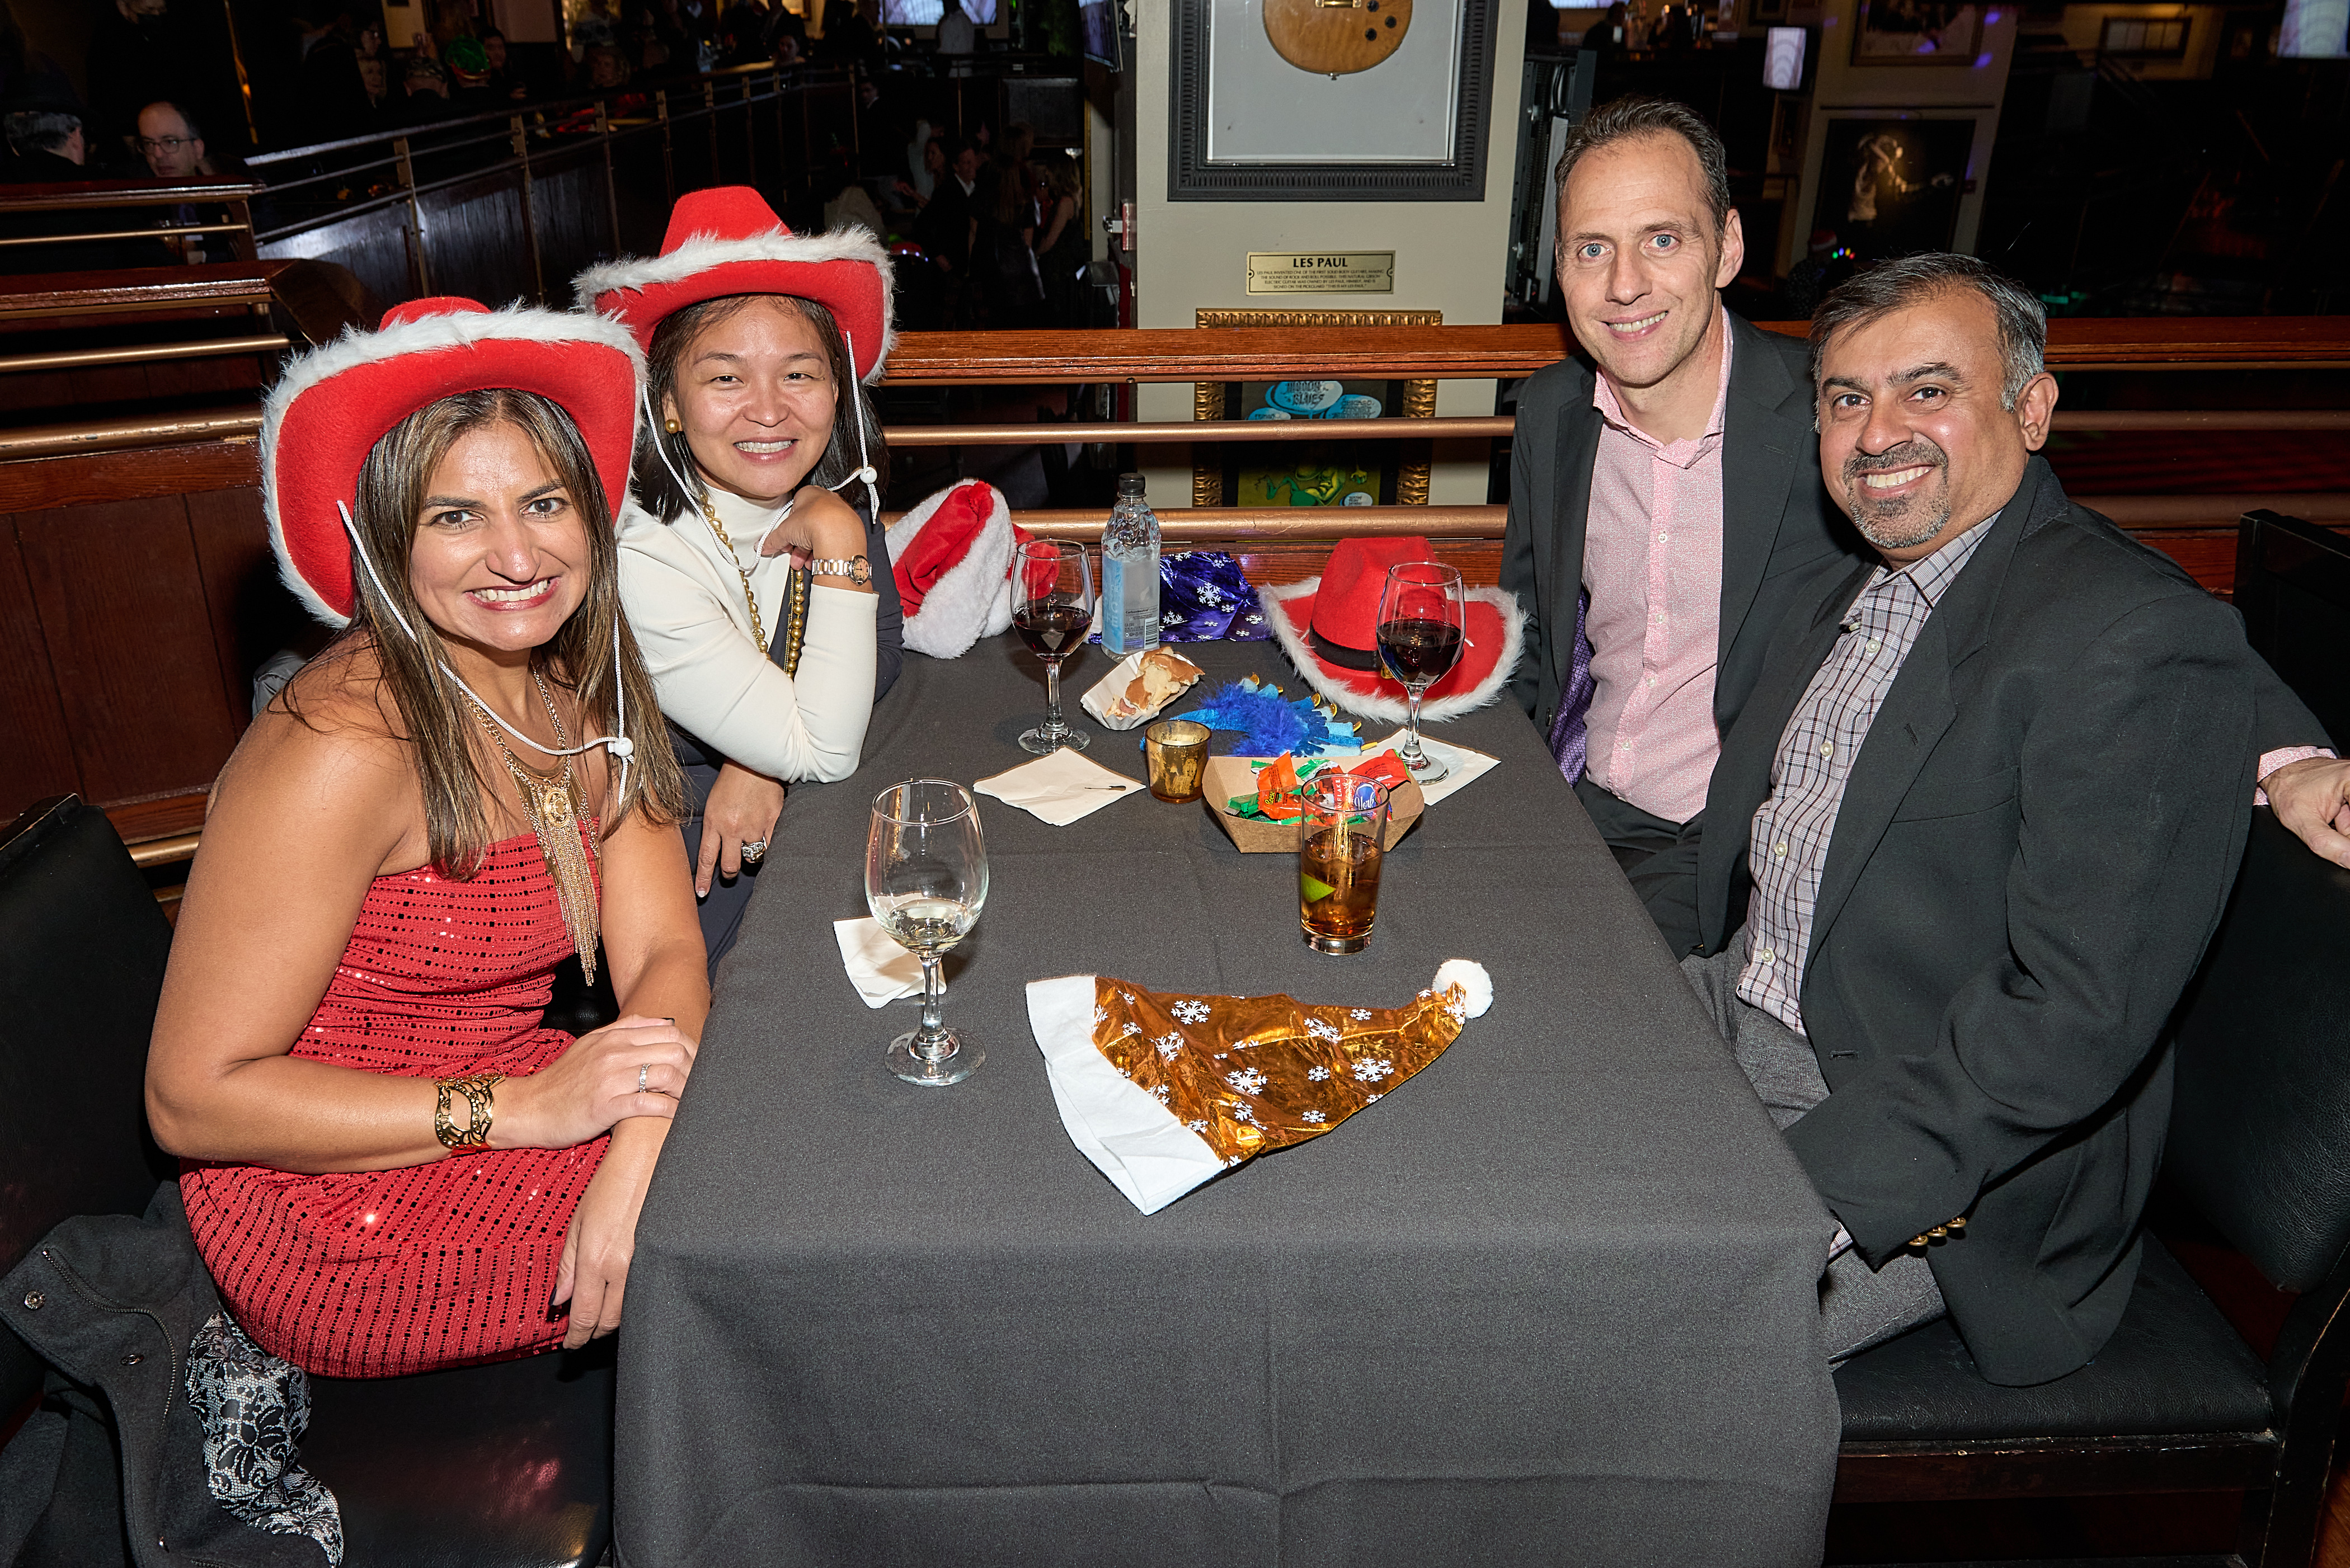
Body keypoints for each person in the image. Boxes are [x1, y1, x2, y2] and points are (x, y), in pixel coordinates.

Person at [1676, 255, 2340, 1382]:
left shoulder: (2132, 638)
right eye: (1848, 398)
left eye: (1929, 390)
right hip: (1746, 1010)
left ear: (2032, 410)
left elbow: (2073, 1017)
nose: (1879, 433)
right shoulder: (1855, 572)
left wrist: (1805, 1195)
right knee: (1480, 1146)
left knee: (1603, 1335)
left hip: (1936, 1142)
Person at [1498, 96, 2350, 960]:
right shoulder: (1553, 411)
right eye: (1591, 249)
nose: (1625, 285)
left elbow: (2066, 553)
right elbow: (1534, 635)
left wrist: (2287, 757)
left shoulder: (1838, 411)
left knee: (1551, 998)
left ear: (1729, 247)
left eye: (1662, 240)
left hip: (1722, 839)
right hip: (1573, 802)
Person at [148, 297, 706, 1381]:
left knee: (762, 1158)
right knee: (755, 1233)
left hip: (523, 1098)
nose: (517, 554)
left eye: (543, 502)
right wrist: (525, 1108)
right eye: (456, 516)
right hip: (335, 1204)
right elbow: (189, 1098)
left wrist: (639, 1142)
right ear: (383, 537)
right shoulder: (342, 747)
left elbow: (664, 953)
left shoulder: (579, 684)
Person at [576, 186, 906, 968]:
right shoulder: (638, 551)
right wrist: (778, 749)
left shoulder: (834, 489)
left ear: (837, 389)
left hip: (807, 820)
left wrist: (758, 758)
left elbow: (885, 648)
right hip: (691, 861)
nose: (769, 411)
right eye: (726, 379)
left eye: (800, 375)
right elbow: (826, 750)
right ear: (669, 402)